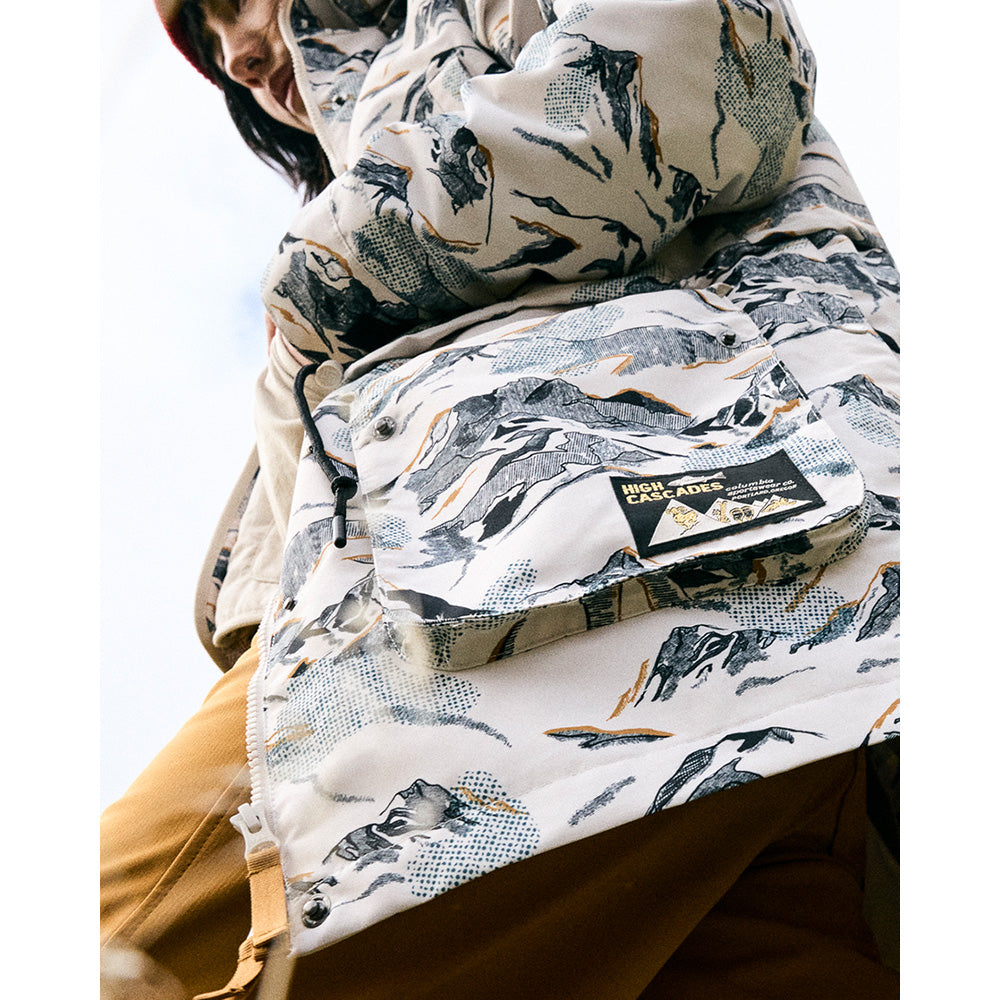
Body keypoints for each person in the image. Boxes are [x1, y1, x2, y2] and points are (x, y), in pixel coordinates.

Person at [101, 1, 900, 998]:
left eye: (230, 3)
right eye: (209, 42)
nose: (237, 56)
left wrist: (335, 263)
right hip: (757, 647)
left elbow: (708, 56)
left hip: (568, 583)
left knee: (108, 941)